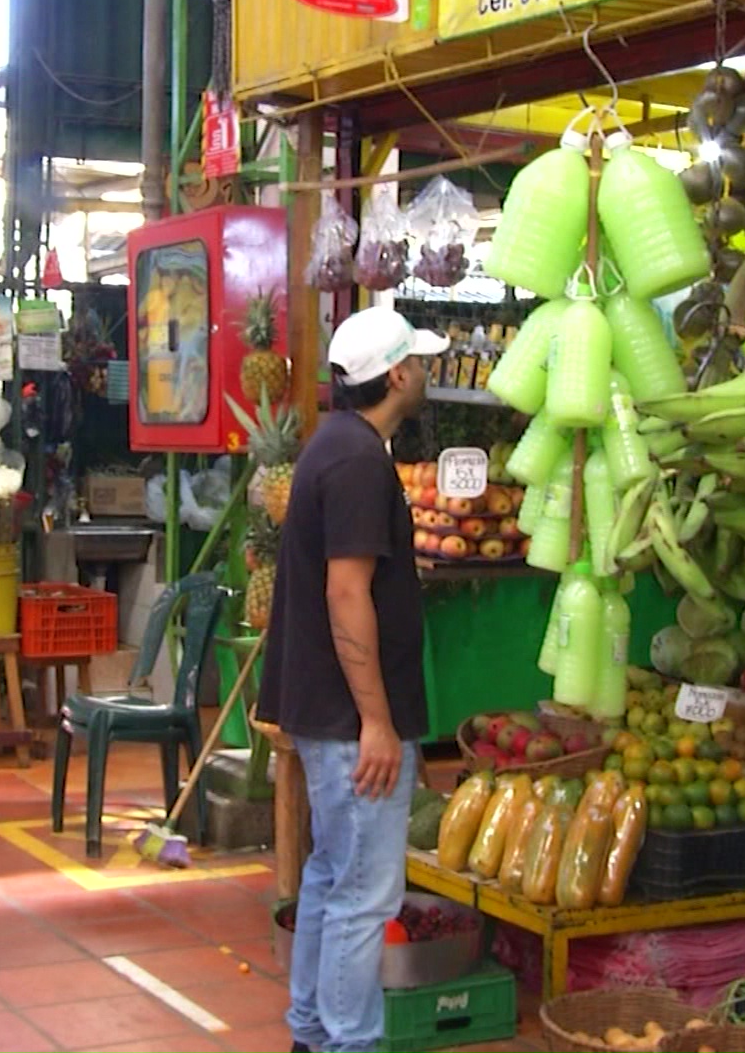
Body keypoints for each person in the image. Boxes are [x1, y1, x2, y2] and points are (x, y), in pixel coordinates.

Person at [255, 306, 448, 1053]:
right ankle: (345, 1042)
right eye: (420, 362)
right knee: (365, 893)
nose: (427, 372)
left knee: (335, 880)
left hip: (325, 708)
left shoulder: (333, 446)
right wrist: (376, 720)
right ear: (397, 375)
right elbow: (346, 594)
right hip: (349, 717)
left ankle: (313, 1031)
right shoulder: (360, 463)